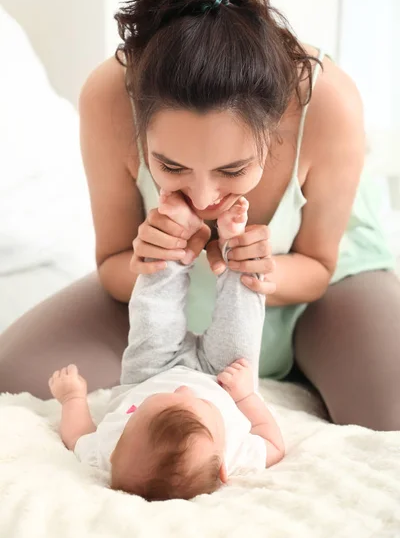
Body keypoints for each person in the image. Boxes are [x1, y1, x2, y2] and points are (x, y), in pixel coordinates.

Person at [0, 0, 399, 431]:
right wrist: (155, 262)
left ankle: (311, 359)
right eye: (171, 167)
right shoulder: (109, 97)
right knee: (17, 379)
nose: (205, 197)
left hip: (313, 293)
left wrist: (254, 268)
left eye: (232, 170)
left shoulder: (328, 102)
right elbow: (112, 263)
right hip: (164, 295)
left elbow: (317, 269)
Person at [48, 194, 285, 501]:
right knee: (241, 323)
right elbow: (273, 442)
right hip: (227, 382)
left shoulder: (106, 451)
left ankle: (176, 241)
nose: (183, 390)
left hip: (149, 373)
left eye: (161, 402)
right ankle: (236, 248)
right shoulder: (236, 454)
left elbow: (77, 433)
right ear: (224, 470)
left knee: (153, 311)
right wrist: (246, 396)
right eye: (200, 406)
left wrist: (72, 398)